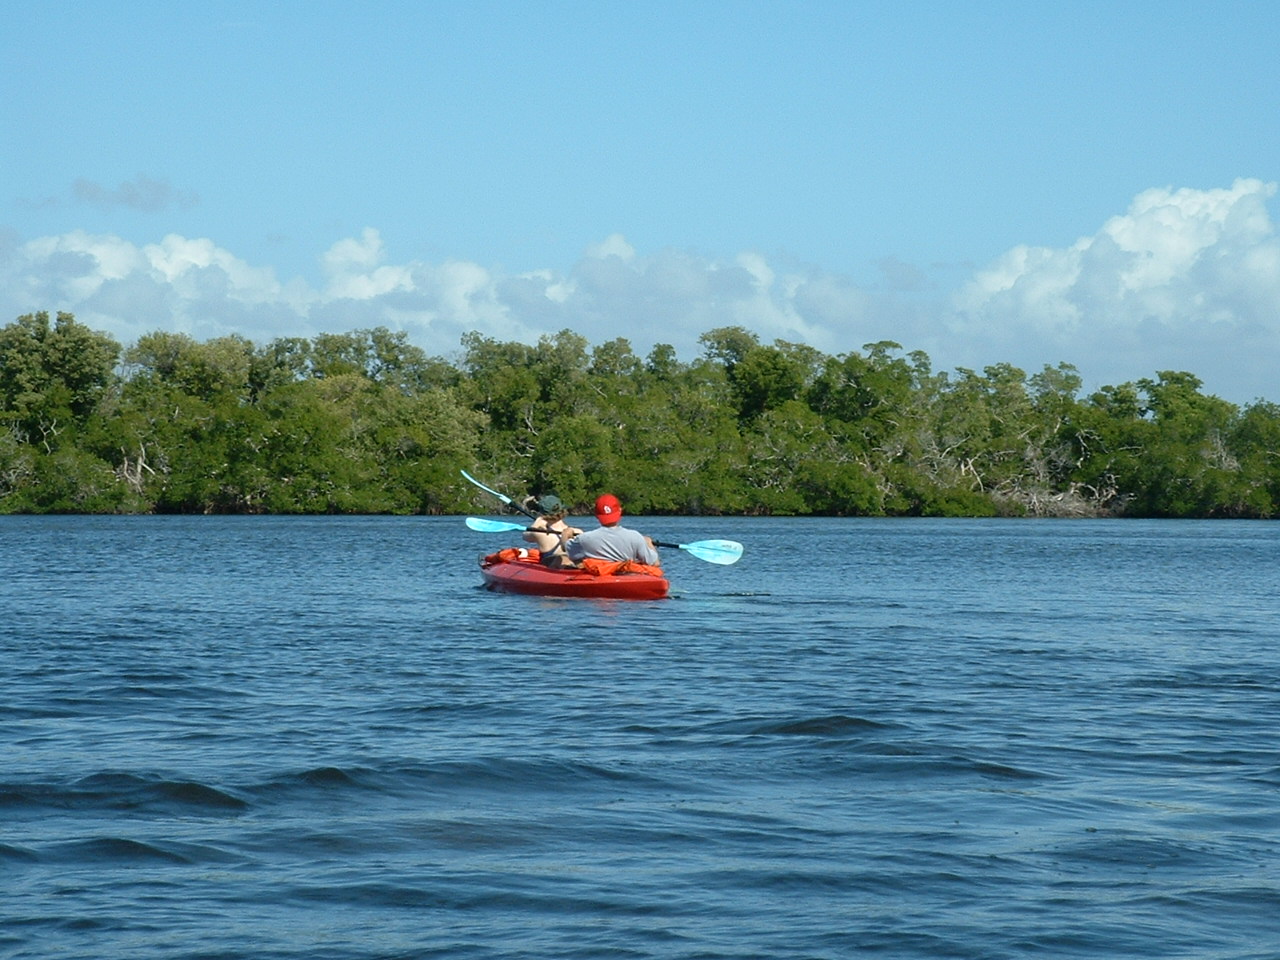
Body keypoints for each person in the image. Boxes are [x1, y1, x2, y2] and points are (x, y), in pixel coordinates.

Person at [566, 494, 660, 567]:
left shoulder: (585, 539)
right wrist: (648, 543)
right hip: (626, 577)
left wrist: (565, 535)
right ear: (620, 511)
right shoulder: (635, 537)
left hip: (599, 578)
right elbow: (654, 563)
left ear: (596, 515)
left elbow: (567, 549)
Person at [521, 495, 582, 569]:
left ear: (542, 514)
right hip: (573, 567)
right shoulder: (578, 532)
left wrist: (537, 522)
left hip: (552, 569)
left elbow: (525, 536)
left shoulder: (539, 533)